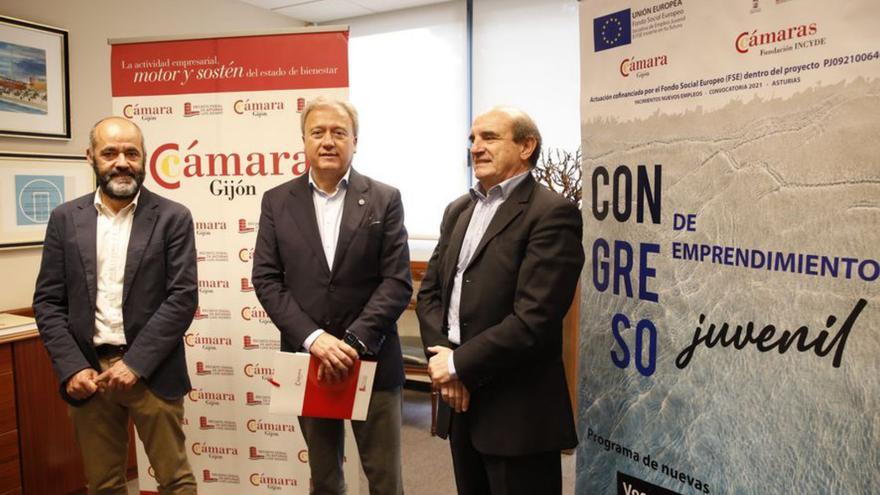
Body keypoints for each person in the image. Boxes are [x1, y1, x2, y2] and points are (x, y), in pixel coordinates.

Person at [416, 107, 584, 494]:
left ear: (526, 146)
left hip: (517, 414)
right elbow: (431, 294)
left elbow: (533, 320)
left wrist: (456, 365)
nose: (475, 147)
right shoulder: (458, 210)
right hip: (461, 404)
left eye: (489, 137)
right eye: (472, 139)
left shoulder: (551, 214)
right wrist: (444, 360)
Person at [252, 97, 412, 495]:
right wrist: (315, 339)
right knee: (324, 480)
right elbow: (267, 279)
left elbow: (396, 282)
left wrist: (353, 342)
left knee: (385, 480)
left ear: (355, 141)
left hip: (372, 359)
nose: (328, 141)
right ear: (304, 141)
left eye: (339, 132)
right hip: (308, 361)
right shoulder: (276, 201)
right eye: (318, 132)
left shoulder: (385, 198)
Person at [33, 117, 198, 494]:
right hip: (89, 376)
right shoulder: (64, 219)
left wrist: (135, 364)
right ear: (90, 156)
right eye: (110, 153)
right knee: (104, 484)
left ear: (144, 158)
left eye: (131, 153)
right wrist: (72, 367)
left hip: (153, 373)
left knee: (176, 481)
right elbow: (48, 301)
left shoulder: (173, 217)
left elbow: (182, 298)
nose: (122, 162)